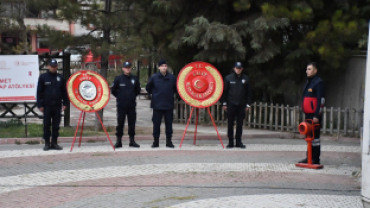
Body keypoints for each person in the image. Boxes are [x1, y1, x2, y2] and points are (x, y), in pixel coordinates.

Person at [37, 59, 69, 151]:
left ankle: (54, 143)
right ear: (48, 66)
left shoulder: (60, 77)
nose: (53, 68)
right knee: (46, 125)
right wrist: (40, 105)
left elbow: (64, 91)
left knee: (56, 125)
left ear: (57, 67)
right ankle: (47, 143)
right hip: (47, 106)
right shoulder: (43, 77)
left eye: (55, 66)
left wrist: (65, 103)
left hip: (57, 105)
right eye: (52, 66)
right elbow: (39, 92)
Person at [146, 59, 177, 148]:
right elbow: (149, 88)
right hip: (157, 105)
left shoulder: (171, 77)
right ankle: (156, 142)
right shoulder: (154, 77)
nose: (164, 67)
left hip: (168, 105)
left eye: (165, 66)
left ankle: (169, 141)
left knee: (169, 124)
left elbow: (175, 89)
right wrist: (156, 94)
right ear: (159, 67)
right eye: (162, 66)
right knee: (156, 124)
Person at [299, 62, 325, 164]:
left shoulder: (318, 83)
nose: (307, 71)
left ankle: (315, 158)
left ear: (315, 70)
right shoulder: (308, 82)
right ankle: (309, 157)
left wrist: (316, 115)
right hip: (308, 114)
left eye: (309, 69)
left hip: (314, 115)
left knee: (315, 138)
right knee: (309, 136)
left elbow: (320, 100)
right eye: (306, 69)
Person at [221, 62, 252, 149]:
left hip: (241, 105)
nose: (238, 70)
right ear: (234, 68)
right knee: (230, 124)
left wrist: (248, 104)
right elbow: (225, 92)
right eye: (237, 68)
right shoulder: (228, 78)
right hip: (231, 105)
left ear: (242, 69)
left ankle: (238, 141)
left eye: (240, 68)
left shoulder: (245, 79)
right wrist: (224, 103)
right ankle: (230, 142)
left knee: (240, 124)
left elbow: (249, 92)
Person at [111, 61, 141, 148]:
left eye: (129, 67)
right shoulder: (118, 79)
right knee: (120, 123)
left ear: (130, 68)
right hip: (121, 105)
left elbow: (137, 90)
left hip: (131, 105)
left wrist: (131, 97)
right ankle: (118, 141)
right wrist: (120, 97)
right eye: (126, 67)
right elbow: (113, 90)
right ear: (123, 68)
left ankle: (132, 141)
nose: (127, 69)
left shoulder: (134, 79)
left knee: (132, 123)